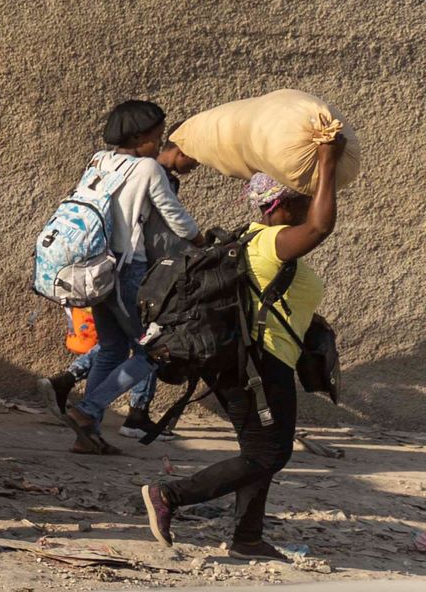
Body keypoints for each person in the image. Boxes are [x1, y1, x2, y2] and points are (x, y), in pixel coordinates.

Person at [140, 142, 344, 562]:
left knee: (259, 451)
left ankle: (247, 538)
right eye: (302, 197)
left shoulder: (252, 237)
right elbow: (322, 227)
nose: (309, 204)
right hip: (258, 363)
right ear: (282, 204)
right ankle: (170, 494)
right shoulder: (272, 242)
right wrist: (326, 163)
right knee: (270, 453)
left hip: (249, 360)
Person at [62, 104, 202, 454]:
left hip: (96, 269)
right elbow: (175, 216)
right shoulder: (148, 169)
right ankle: (88, 409)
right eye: (156, 138)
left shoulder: (99, 160)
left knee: (110, 349)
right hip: (128, 270)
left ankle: (87, 436)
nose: (159, 144)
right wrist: (201, 242)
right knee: (153, 351)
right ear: (138, 138)